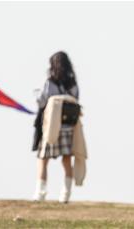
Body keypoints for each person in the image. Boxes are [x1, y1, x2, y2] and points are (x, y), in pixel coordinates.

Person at [33, 51, 80, 203]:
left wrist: (36, 94)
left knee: (43, 159)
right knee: (66, 161)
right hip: (68, 127)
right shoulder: (73, 84)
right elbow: (76, 100)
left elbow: (42, 102)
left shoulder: (50, 82)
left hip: (51, 126)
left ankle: (40, 194)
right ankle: (65, 195)